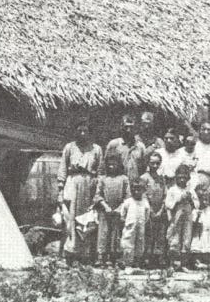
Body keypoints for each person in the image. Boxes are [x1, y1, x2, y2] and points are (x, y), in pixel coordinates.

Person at [57, 118, 103, 264]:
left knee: (87, 218)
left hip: (89, 184)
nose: (82, 133)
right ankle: (69, 253)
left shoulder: (96, 149)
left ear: (90, 133)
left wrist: (98, 192)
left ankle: (86, 254)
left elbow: (100, 171)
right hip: (72, 182)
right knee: (70, 218)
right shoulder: (69, 147)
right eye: (80, 131)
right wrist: (60, 190)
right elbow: (63, 169)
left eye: (85, 131)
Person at [93, 154, 130, 267]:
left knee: (116, 233)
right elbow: (97, 195)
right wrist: (105, 206)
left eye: (114, 164)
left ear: (119, 164)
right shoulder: (103, 179)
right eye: (109, 164)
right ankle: (101, 257)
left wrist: (120, 208)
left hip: (119, 210)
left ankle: (114, 257)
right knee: (103, 233)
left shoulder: (124, 179)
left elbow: (128, 196)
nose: (112, 167)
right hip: (105, 210)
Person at [165, 164, 199, 271]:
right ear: (176, 177)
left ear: (188, 178)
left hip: (187, 217)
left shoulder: (190, 190)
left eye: (184, 177)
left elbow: (197, 204)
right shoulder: (172, 190)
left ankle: (183, 264)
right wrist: (178, 200)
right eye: (180, 177)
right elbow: (168, 204)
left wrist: (190, 200)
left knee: (186, 238)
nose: (182, 179)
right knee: (174, 239)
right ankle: (173, 264)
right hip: (176, 217)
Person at [140, 152, 167, 268]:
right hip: (147, 210)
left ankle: (157, 258)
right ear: (147, 163)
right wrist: (150, 210)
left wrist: (161, 210)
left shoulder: (161, 178)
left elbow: (165, 195)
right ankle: (146, 258)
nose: (155, 166)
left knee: (159, 235)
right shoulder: (144, 178)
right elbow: (143, 194)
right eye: (152, 163)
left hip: (159, 210)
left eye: (157, 163)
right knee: (148, 234)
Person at [103, 114, 146, 182]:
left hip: (135, 185)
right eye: (126, 127)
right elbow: (105, 165)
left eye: (131, 127)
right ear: (121, 127)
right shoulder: (114, 144)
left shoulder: (140, 146)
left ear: (135, 128)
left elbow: (144, 168)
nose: (128, 130)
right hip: (118, 184)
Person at [119, 180, 150, 269]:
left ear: (143, 190)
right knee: (128, 243)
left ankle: (137, 263)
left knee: (139, 243)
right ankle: (127, 263)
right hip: (130, 226)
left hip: (141, 226)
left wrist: (143, 222)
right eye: (134, 190)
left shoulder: (145, 202)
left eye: (139, 190)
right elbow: (123, 214)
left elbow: (147, 215)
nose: (136, 192)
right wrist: (126, 222)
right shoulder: (128, 202)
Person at [190, 189, 210, 268]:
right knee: (199, 247)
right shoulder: (196, 211)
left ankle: (208, 263)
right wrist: (198, 216)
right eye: (202, 200)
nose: (204, 202)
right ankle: (198, 262)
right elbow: (194, 223)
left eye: (207, 200)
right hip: (200, 232)